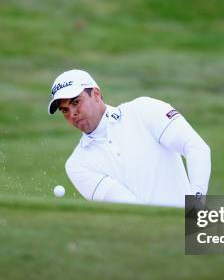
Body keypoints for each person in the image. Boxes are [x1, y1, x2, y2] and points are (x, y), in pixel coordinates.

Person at [48, 69, 211, 208]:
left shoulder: (144, 110)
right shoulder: (78, 165)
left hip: (192, 228)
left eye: (76, 102)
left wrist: (196, 204)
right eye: (65, 110)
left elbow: (196, 147)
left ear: (96, 94)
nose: (72, 114)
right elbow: (129, 208)